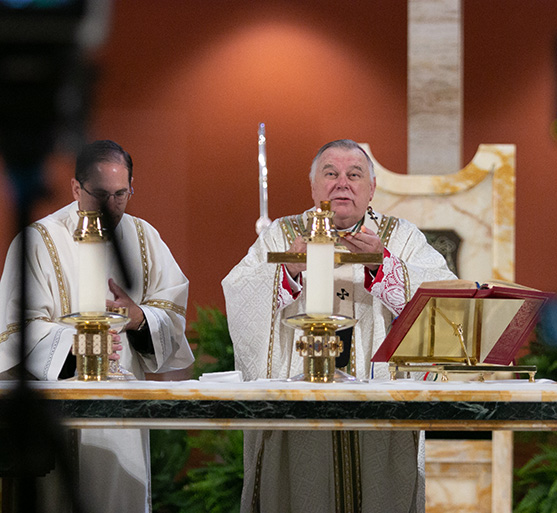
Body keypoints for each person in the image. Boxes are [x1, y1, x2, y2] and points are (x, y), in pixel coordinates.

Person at [222, 139, 456, 513]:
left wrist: (384, 266)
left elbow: (442, 299)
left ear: (372, 188)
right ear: (314, 186)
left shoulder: (400, 237)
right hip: (300, 403)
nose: (342, 183)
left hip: (378, 402)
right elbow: (239, 293)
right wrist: (288, 269)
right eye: (330, 174)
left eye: (354, 174)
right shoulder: (282, 236)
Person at [0, 140, 194, 512]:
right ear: (76, 188)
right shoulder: (39, 240)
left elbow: (170, 314)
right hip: (59, 413)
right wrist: (77, 345)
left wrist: (139, 319)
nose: (111, 206)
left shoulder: (143, 238)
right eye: (101, 194)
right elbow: (15, 328)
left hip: (124, 407)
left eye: (122, 194)